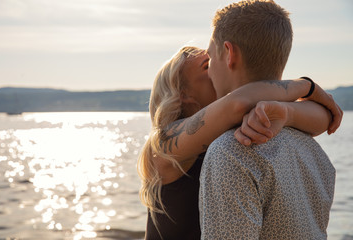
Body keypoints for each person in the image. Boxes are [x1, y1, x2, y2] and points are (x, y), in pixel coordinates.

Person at [137, 46, 342, 239]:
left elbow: (324, 119)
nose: (220, 66)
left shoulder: (230, 126)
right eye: (207, 66)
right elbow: (237, 103)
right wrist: (306, 85)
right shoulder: (162, 145)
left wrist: (288, 113)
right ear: (184, 94)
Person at [199, 1, 340, 239]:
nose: (209, 71)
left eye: (210, 58)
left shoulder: (230, 153)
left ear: (229, 53)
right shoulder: (313, 151)